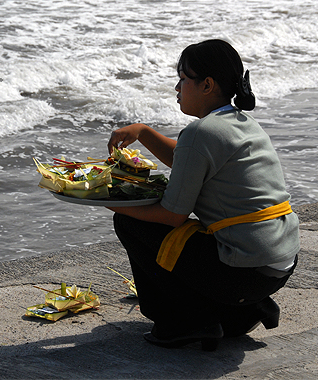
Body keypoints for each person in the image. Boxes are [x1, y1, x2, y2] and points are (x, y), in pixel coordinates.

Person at [106, 39, 300, 351]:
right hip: (280, 262)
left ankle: (187, 321)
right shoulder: (239, 122)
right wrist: (142, 132)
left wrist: (109, 200)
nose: (177, 87)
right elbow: (188, 158)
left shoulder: (201, 133)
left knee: (132, 224)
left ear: (207, 84)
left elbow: (173, 215)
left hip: (244, 270)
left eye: (182, 78)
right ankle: (243, 308)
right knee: (188, 235)